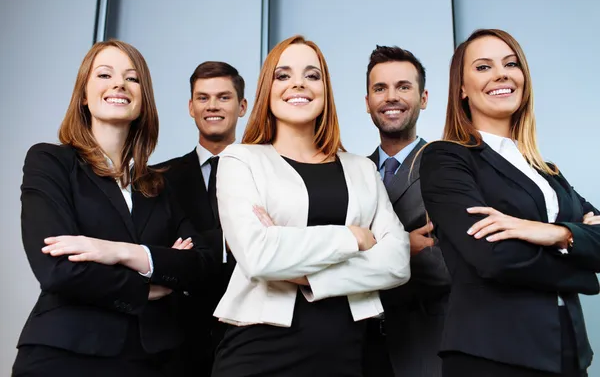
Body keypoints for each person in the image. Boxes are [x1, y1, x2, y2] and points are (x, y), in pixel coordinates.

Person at [12, 40, 216, 377]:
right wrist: (147, 283)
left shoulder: (159, 186)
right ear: (84, 95)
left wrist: (116, 251)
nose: (119, 84)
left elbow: (201, 263)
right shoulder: (51, 161)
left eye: (132, 78)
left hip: (153, 360)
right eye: (104, 74)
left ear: (142, 100)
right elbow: (57, 268)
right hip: (65, 353)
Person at [210, 35, 411, 377]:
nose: (298, 83)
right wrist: (352, 238)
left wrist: (300, 269)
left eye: (312, 75)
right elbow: (258, 256)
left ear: (325, 90)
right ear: (267, 90)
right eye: (283, 75)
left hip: (348, 354)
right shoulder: (240, 159)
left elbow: (397, 263)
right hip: (259, 353)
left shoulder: (361, 168)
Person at [419, 28, 600, 377]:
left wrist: (554, 234)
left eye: (510, 63)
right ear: (461, 88)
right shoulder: (447, 159)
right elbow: (492, 258)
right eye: (484, 67)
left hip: (568, 350)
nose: (501, 73)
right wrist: (584, 271)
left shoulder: (546, 171)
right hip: (493, 355)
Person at [155, 61, 247, 376]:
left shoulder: (269, 172)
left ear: (242, 106)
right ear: (191, 107)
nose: (212, 106)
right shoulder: (157, 178)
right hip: (177, 337)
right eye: (203, 98)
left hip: (249, 331)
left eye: (223, 97)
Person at [363, 45, 450, 377]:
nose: (391, 97)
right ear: (368, 101)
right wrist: (402, 246)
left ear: (423, 98)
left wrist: (363, 248)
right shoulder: (351, 173)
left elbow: (444, 264)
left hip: (426, 343)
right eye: (380, 88)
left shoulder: (447, 166)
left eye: (403, 86)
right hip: (358, 347)